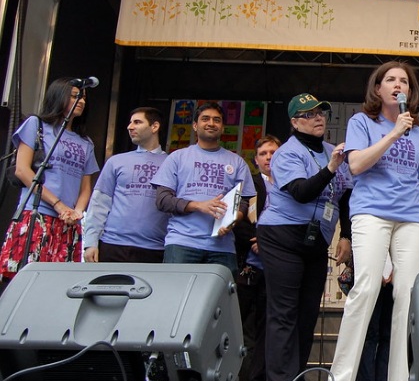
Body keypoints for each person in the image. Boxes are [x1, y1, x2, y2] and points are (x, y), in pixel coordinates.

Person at [327, 62, 419, 381]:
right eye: (390, 79)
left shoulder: (418, 135)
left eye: (403, 80)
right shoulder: (363, 122)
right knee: (366, 289)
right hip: (371, 212)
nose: (397, 84)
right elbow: (357, 164)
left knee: (407, 295)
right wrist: (392, 133)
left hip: (412, 217)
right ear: (378, 89)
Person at [258, 94, 352, 381]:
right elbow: (300, 192)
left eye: (321, 112)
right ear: (295, 121)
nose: (318, 118)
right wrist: (330, 169)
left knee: (308, 313)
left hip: (316, 238)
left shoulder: (329, 150)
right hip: (282, 235)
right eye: (309, 114)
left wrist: (346, 237)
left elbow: (346, 198)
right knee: (284, 312)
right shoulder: (287, 153)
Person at [0, 78, 99, 280]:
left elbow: (86, 186)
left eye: (83, 98)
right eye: (74, 96)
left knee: (57, 282)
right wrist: (58, 205)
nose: (80, 101)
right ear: (59, 96)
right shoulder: (36, 125)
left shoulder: (85, 142)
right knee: (25, 279)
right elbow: (22, 170)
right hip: (38, 213)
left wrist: (77, 212)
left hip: (68, 221)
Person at [151, 102, 256, 277]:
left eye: (217, 120)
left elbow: (244, 202)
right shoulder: (177, 157)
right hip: (182, 243)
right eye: (205, 119)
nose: (211, 123)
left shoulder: (237, 162)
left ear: (222, 127)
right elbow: (162, 200)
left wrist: (233, 220)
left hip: (223, 247)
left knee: (219, 303)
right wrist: (199, 205)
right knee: (178, 300)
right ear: (194, 125)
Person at [83, 107, 169, 263]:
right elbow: (99, 204)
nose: (130, 127)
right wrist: (90, 242)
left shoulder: (172, 163)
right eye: (130, 123)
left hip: (155, 248)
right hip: (112, 244)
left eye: (137, 122)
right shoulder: (116, 161)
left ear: (154, 127)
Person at [232, 135, 280, 381]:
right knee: (240, 326)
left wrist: (270, 243)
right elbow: (236, 220)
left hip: (277, 269)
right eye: (263, 153)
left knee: (267, 329)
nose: (269, 157)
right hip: (248, 267)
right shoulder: (249, 184)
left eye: (273, 152)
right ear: (256, 160)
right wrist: (258, 239)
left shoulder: (289, 184)